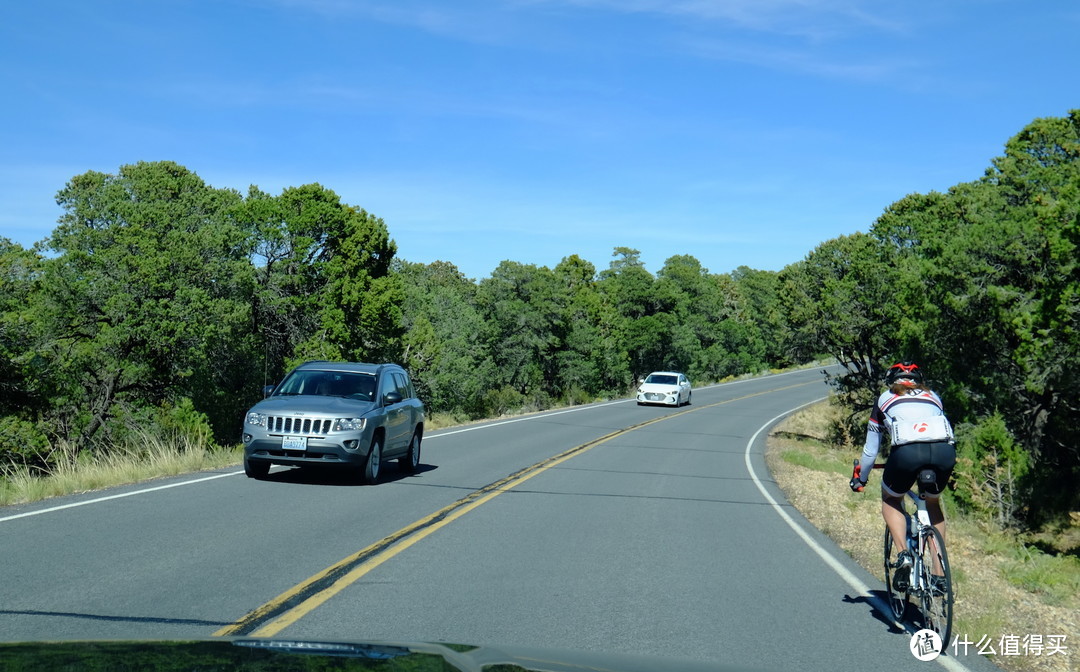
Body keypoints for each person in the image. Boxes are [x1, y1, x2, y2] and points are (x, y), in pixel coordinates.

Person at [850, 361, 956, 591]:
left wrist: (862, 478)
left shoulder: (884, 398)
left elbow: (870, 451)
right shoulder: (934, 397)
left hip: (907, 452)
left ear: (891, 380)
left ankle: (904, 555)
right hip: (944, 451)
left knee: (891, 499)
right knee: (932, 502)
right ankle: (939, 576)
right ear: (919, 380)